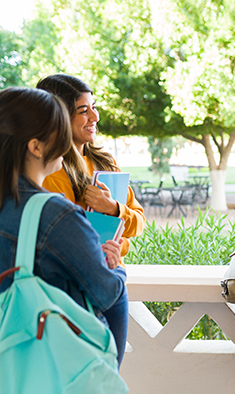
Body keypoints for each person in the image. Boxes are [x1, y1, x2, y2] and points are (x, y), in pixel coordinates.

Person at [36, 74, 145, 367]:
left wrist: (113, 208)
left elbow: (138, 223)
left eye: (93, 107)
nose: (94, 117)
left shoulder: (105, 163)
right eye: (83, 111)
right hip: (70, 291)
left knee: (110, 376)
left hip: (111, 283)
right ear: (58, 117)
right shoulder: (49, 173)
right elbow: (57, 241)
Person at [0, 86, 126, 329]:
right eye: (60, 131)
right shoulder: (57, 215)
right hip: (48, 343)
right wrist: (116, 270)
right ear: (36, 147)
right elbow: (106, 292)